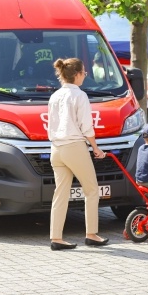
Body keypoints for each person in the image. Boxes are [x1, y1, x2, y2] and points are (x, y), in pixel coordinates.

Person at [47, 58, 109, 250]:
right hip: (74, 146)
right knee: (91, 190)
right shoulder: (79, 95)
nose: (85, 76)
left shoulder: (54, 96)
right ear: (77, 74)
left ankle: (56, 238)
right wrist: (96, 148)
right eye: (84, 73)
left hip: (56, 148)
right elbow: (86, 126)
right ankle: (91, 234)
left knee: (60, 193)